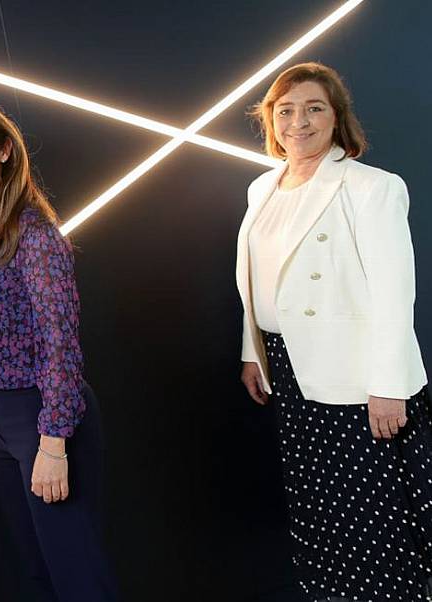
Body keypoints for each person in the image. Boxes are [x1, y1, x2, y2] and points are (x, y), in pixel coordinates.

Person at [236, 62, 431, 601]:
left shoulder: (372, 188)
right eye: (286, 110)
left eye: (314, 108)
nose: (299, 121)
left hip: (356, 374)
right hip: (290, 368)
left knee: (374, 505)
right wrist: (253, 351)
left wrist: (388, 385)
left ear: (336, 118)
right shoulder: (262, 189)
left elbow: (396, 295)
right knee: (321, 504)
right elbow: (258, 282)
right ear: (271, 121)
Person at [0, 97, 118, 601]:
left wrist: (53, 443)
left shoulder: (34, 236)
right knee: (32, 573)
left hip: (45, 417)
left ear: (5, 151)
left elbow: (62, 343)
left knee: (77, 576)